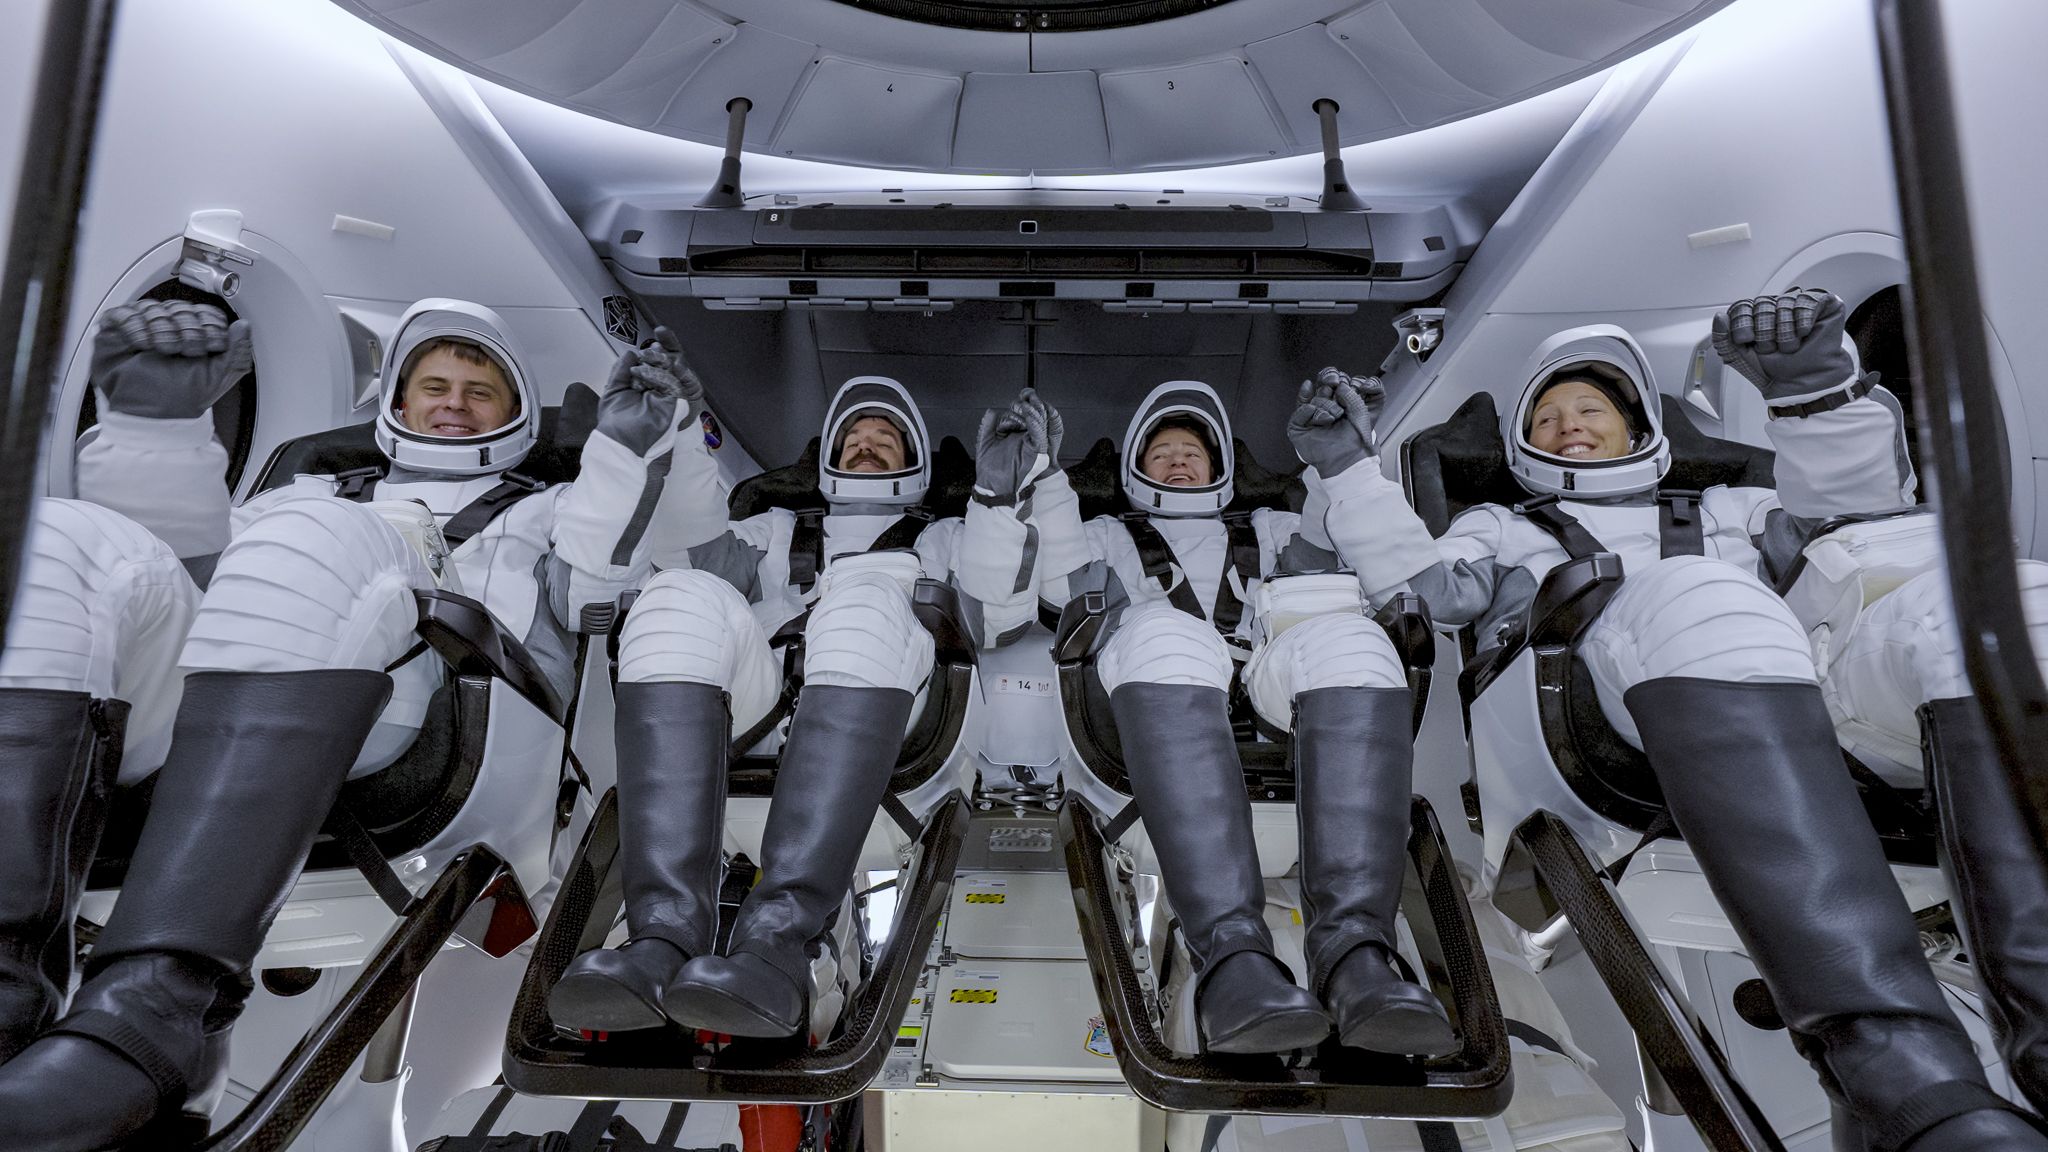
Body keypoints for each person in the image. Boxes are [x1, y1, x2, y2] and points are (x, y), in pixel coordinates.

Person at [1319, 288, 2048, 1149]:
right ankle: (1911, 1088)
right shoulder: (1504, 529)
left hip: (1812, 703)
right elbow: (1430, 591)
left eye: (1591, 408)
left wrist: (1817, 401)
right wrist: (1347, 473)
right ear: (1520, 446)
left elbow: (1861, 530)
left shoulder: (1734, 511)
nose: (1569, 426)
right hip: (1589, 732)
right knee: (1703, 593)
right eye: (1546, 417)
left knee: (2002, 605)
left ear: (1640, 428)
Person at [0, 297, 690, 1150]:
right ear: (394, 404)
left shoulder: (542, 513)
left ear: (517, 412)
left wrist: (623, 453)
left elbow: (594, 588)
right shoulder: (303, 494)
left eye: (481, 391)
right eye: (433, 384)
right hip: (226, 703)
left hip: (447, 735)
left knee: (319, 537)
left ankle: (158, 1018)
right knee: (63, 541)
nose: (453, 403)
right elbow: (178, 588)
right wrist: (160, 436)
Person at [547, 377, 1040, 1040]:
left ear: (914, 459)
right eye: (853, 438)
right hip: (756, 725)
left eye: (884, 439)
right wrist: (685, 432)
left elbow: (1002, 608)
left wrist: (1000, 499)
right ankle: (659, 937)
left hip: (902, 735)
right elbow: (687, 548)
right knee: (679, 595)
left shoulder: (949, 538)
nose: (866, 447)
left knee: (866, 598)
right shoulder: (776, 531)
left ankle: (779, 942)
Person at [1019, 380, 1453, 1056]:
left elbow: (1332, 558)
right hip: (1156, 688)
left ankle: (1358, 955)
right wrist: (1045, 480)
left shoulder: (1271, 529)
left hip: (1271, 692)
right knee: (1164, 632)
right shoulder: (1108, 536)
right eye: (1161, 453)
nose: (1178, 462)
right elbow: (1062, 579)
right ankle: (1231, 960)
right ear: (1137, 468)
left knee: (1357, 639)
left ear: (1220, 469)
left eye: (1192, 451)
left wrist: (1339, 466)